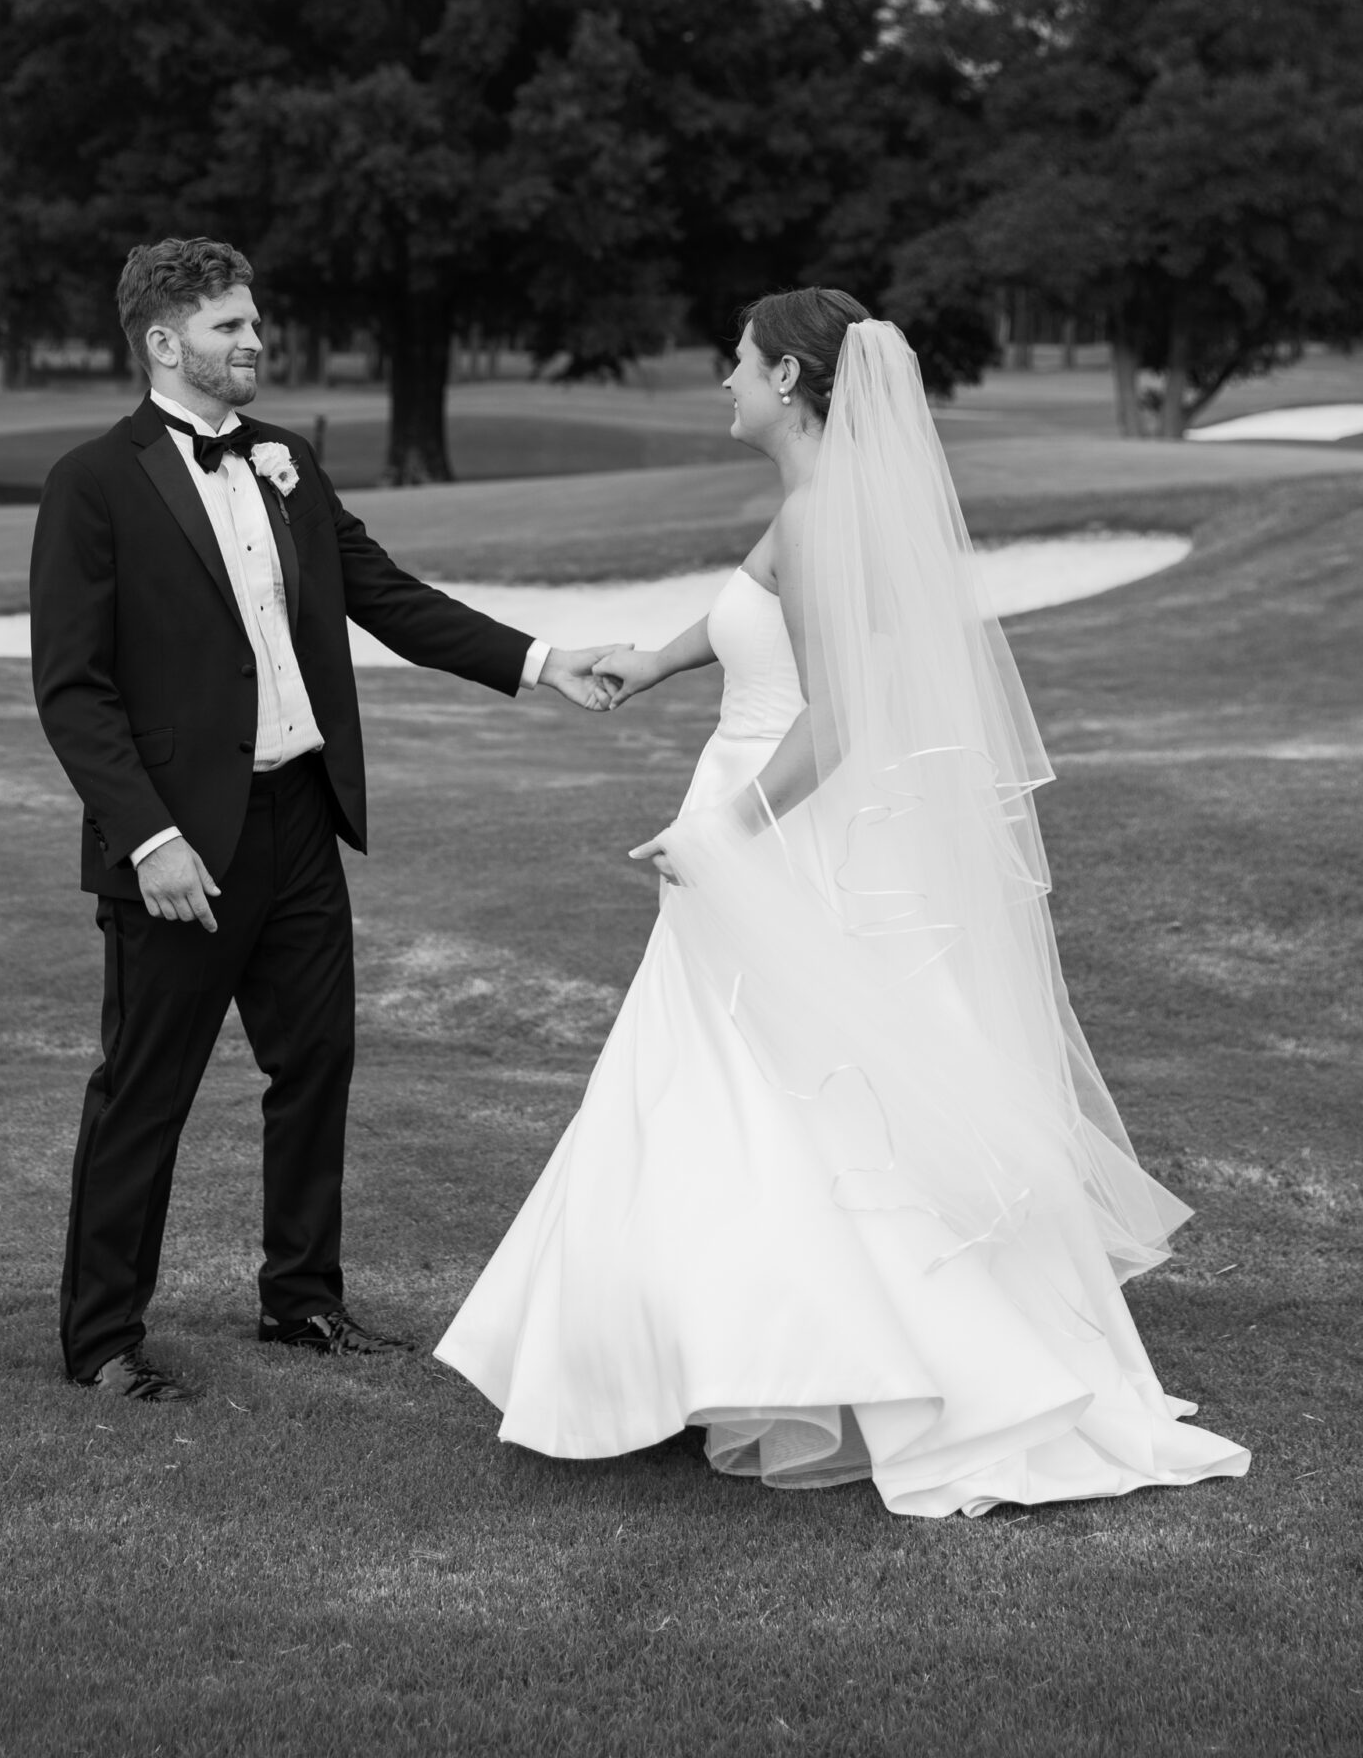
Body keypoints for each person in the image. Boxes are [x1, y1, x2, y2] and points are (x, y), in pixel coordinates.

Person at [436, 291, 1250, 1516]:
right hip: (762, 830)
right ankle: (737, 1356)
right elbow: (748, 612)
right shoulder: (809, 513)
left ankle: (844, 1364)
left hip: (782, 836)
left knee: (783, 1108)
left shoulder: (824, 521)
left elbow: (842, 721)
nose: (724, 380)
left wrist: (725, 836)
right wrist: (650, 662)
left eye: (739, 363)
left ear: (792, 383)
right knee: (737, 1098)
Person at [30, 237, 614, 1404]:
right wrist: (150, 840)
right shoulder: (93, 483)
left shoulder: (288, 461)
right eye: (230, 327)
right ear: (164, 340)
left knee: (318, 1065)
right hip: (181, 849)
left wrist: (542, 661)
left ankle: (301, 1301)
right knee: (147, 1086)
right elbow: (73, 691)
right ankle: (101, 1339)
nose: (255, 342)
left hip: (298, 817)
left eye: (254, 323)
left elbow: (386, 598)